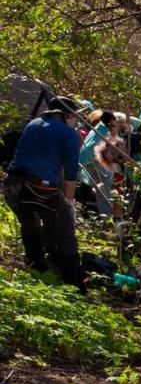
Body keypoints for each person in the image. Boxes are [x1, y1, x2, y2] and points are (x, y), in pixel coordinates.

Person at [2, 96, 84, 290]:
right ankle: (73, 283)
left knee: (31, 224)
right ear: (67, 115)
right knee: (64, 231)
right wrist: (70, 202)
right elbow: (71, 173)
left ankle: (37, 268)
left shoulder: (33, 124)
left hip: (12, 184)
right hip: (40, 186)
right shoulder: (68, 133)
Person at [78, 108, 120, 216]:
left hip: (87, 160)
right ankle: (107, 215)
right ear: (111, 121)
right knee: (106, 189)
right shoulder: (106, 131)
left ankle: (104, 214)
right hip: (95, 160)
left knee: (100, 190)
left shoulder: (97, 127)